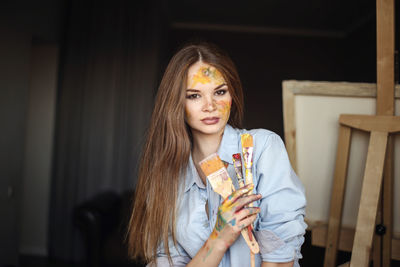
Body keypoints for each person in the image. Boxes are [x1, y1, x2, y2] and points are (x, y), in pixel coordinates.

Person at [127, 42, 306, 267]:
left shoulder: (263, 148)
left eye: (220, 92)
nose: (210, 105)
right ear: (176, 103)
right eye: (194, 96)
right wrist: (219, 238)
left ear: (232, 94)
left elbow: (280, 258)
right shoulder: (165, 177)